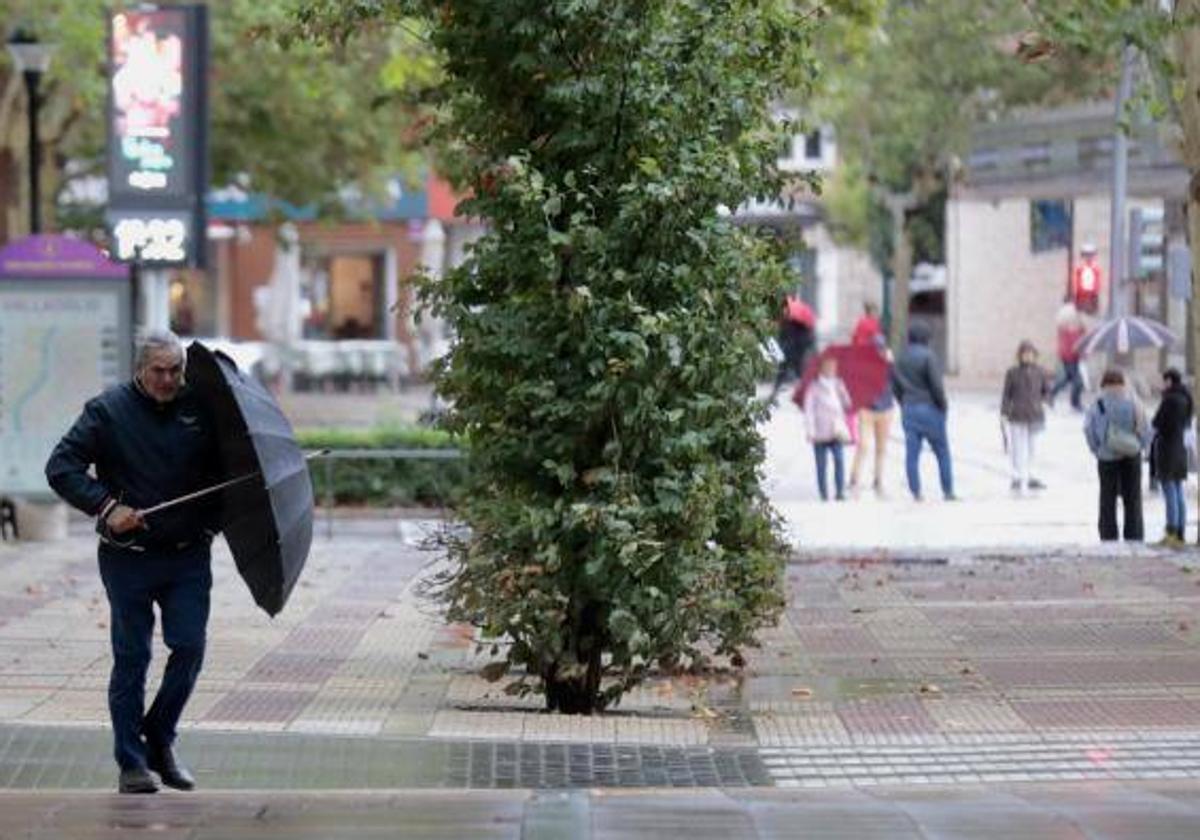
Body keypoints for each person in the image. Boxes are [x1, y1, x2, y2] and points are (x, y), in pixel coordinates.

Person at [45, 331, 220, 794]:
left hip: (187, 557)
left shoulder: (199, 410)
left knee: (189, 647)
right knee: (133, 657)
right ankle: (132, 763)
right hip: (129, 558)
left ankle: (160, 738)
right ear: (139, 369)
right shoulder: (107, 411)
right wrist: (106, 507)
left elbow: (223, 474)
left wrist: (211, 521)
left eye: (176, 370)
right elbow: (61, 468)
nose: (168, 379)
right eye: (159, 371)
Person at [891, 323, 956, 501]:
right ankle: (947, 490)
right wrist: (943, 405)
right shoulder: (929, 356)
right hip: (930, 408)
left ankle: (916, 491)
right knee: (942, 451)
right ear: (926, 338)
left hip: (909, 408)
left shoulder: (900, 358)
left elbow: (894, 386)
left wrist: (903, 402)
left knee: (912, 453)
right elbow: (936, 385)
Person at [1084, 368, 1148, 542]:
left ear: (1104, 383)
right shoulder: (1134, 401)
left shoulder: (1098, 403)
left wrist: (1096, 449)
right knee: (1133, 497)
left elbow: (1088, 429)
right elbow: (1144, 427)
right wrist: (1140, 446)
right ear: (1123, 382)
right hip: (1131, 455)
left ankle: (1108, 535)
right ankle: (1134, 535)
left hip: (1106, 456)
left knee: (1107, 498)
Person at [1000, 340, 1050, 495]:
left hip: (1035, 414)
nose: (1028, 357)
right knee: (1017, 447)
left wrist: (1046, 403)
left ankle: (1030, 475)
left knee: (1032, 447)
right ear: (1020, 355)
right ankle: (1016, 475)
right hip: (1017, 414)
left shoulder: (1041, 372)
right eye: (1025, 354)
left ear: (1035, 356)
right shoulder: (1012, 372)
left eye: (1031, 354)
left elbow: (1046, 391)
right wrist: (1004, 412)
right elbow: (1006, 394)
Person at [849, 335, 895, 497]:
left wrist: (891, 363)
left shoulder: (889, 364)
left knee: (881, 447)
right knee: (864, 445)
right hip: (867, 410)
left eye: (881, 349)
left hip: (886, 410)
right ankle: (855, 478)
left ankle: (878, 478)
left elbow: (896, 381)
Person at [1153, 368, 1194, 546]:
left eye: (1164, 381)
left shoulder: (1169, 400)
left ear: (1169, 381)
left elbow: (1157, 422)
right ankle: (1180, 532)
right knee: (1178, 491)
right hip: (1180, 451)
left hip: (1168, 450)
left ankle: (1171, 530)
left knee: (1169, 491)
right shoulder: (1187, 398)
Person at [803, 354, 852, 501]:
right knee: (821, 464)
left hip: (836, 430)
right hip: (819, 431)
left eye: (834, 367)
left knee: (839, 460)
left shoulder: (838, 384)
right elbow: (809, 410)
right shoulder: (814, 387)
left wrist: (844, 393)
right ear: (822, 369)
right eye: (829, 367)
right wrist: (810, 430)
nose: (832, 369)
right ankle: (823, 493)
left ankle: (840, 492)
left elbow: (847, 405)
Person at [769, 294, 816, 403]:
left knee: (797, 371)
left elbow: (799, 339)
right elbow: (782, 336)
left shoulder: (796, 323)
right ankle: (776, 392)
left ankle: (804, 393)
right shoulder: (787, 320)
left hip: (795, 351)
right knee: (785, 371)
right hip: (789, 351)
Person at [1049, 301, 1087, 411]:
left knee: (1067, 378)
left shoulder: (1079, 329)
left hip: (1074, 358)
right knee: (1078, 382)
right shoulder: (1064, 330)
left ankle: (1050, 394)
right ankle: (1075, 403)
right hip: (1068, 358)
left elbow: (1083, 340)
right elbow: (1066, 347)